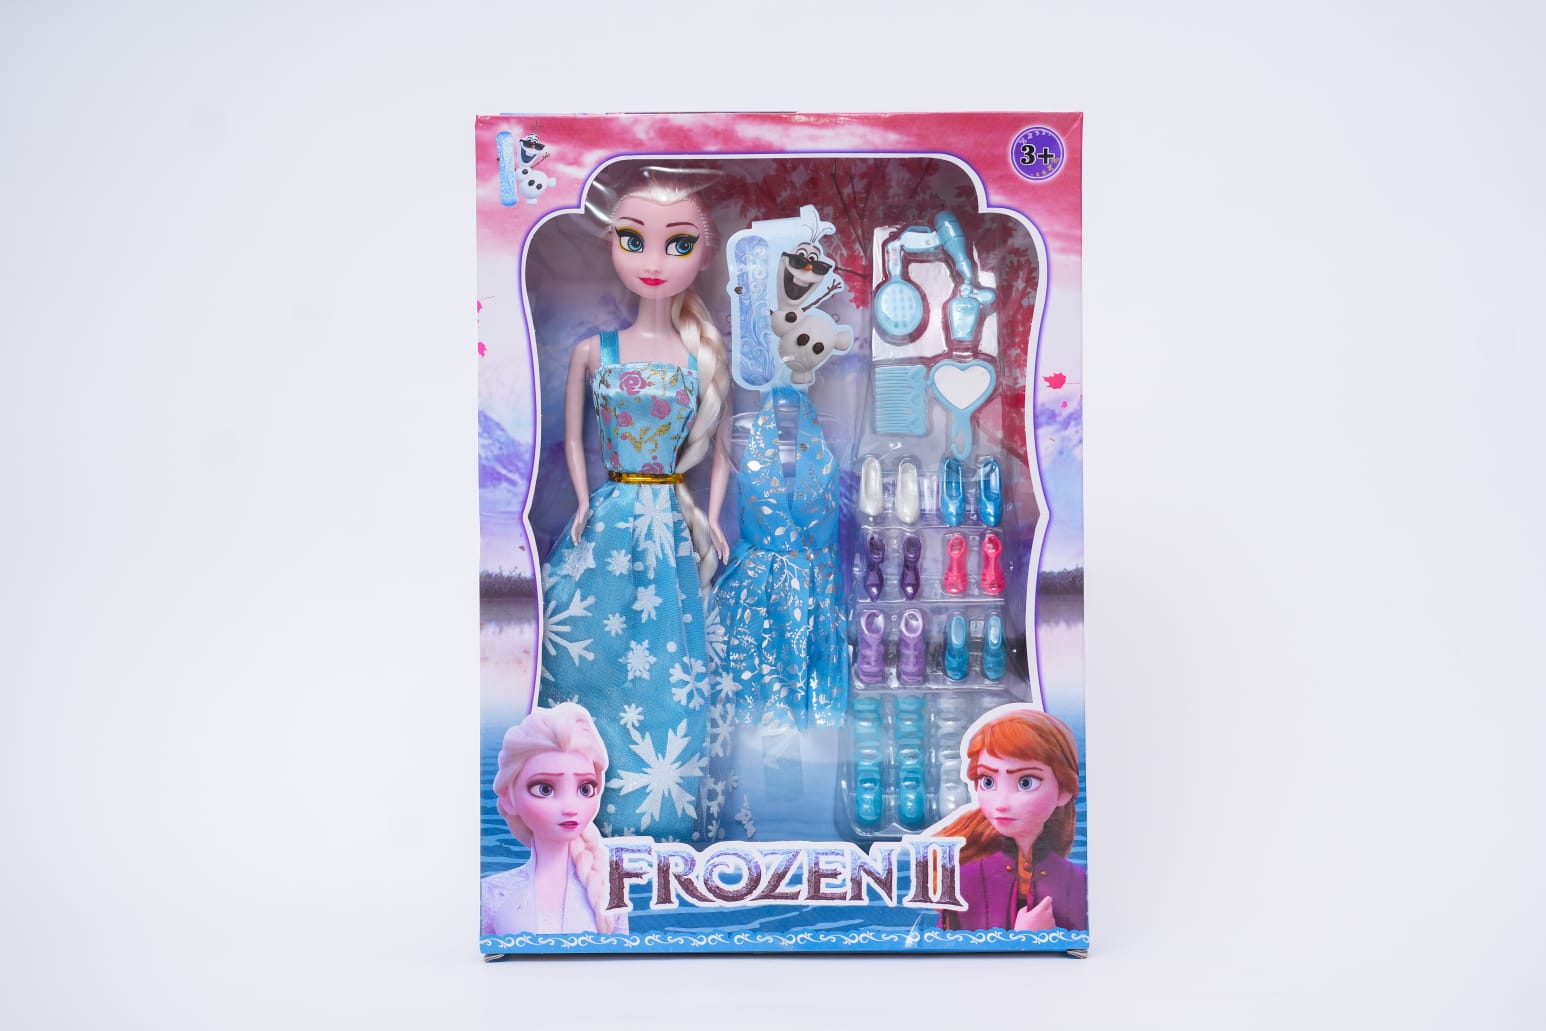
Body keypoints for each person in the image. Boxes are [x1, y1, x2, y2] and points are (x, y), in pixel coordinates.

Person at [536, 170, 732, 841]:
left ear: (703, 255)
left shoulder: (702, 357)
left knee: (667, 667)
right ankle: (576, 804)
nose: (654, 262)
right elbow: (571, 439)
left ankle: (663, 820)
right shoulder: (593, 351)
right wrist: (582, 502)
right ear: (611, 243)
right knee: (589, 657)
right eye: (633, 239)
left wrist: (711, 518)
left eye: (678, 244)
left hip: (669, 527)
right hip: (610, 519)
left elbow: (722, 452)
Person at [931, 706, 1087, 932]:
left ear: (1063, 790)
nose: (1001, 803)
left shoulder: (1077, 881)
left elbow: (1082, 941)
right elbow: (945, 946)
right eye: (987, 782)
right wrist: (1024, 938)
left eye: (1026, 782)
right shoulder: (965, 881)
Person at [480, 703, 626, 935]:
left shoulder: (611, 891)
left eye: (585, 789)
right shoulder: (492, 894)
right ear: (509, 799)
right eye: (545, 789)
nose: (570, 808)